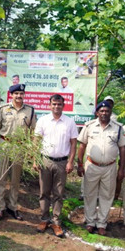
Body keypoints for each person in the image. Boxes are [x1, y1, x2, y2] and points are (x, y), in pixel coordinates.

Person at [77, 100, 125, 234]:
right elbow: (81, 145)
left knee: (107, 195)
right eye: (102, 111)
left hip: (110, 167)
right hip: (92, 166)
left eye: (107, 111)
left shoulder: (118, 128)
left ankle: (101, 224)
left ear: (110, 113)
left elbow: (123, 149)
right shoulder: (89, 126)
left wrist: (122, 169)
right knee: (90, 194)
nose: (104, 113)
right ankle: (90, 221)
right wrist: (80, 164)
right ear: (97, 113)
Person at [35, 93, 78, 237]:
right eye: (54, 104)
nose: (56, 106)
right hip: (45, 160)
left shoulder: (69, 122)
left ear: (63, 106)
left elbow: (73, 144)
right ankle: (44, 219)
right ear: (50, 105)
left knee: (58, 193)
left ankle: (56, 222)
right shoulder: (43, 120)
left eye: (59, 104)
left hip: (62, 162)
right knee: (44, 192)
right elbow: (36, 141)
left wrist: (71, 161)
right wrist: (36, 159)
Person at [0, 84, 36, 221]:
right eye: (16, 93)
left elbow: (33, 132)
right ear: (11, 95)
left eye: (21, 94)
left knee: (15, 179)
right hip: (5, 144)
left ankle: (13, 206)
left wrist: (31, 150)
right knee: (1, 177)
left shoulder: (30, 110)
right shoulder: (3, 109)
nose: (19, 96)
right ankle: (0, 207)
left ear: (24, 95)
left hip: (20, 146)